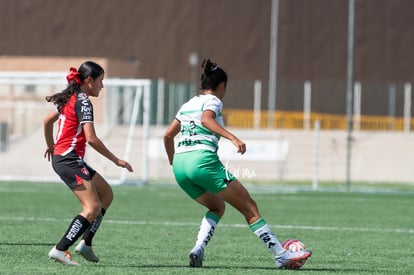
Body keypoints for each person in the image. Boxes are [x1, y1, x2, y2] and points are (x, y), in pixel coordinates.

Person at [163, 59, 312, 269]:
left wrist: (173, 160)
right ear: (222, 85)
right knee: (249, 207)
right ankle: (281, 255)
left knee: (217, 206)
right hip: (202, 162)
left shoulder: (187, 104)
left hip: (180, 166)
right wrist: (233, 138)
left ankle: (198, 248)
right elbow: (207, 120)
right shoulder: (213, 100)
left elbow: (167, 136)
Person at [43, 61, 133, 266]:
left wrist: (51, 145)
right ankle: (60, 249)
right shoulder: (83, 100)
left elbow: (47, 121)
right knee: (92, 207)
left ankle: (86, 244)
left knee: (106, 194)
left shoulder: (71, 97)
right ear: (89, 81)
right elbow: (91, 138)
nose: (102, 86)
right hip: (68, 159)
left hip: (66, 157)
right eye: (101, 81)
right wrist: (116, 160)